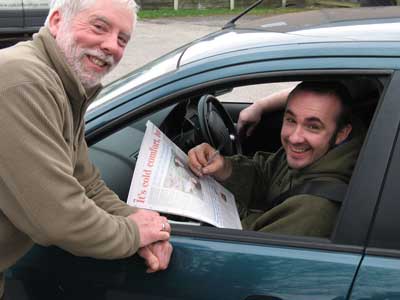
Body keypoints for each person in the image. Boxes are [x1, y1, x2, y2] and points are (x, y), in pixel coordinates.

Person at [0, 1, 173, 298]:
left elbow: (85, 182)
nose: (111, 46)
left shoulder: (63, 85)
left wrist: (140, 221)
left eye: (122, 39)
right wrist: (133, 234)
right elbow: (57, 218)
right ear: (56, 21)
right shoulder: (24, 81)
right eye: (99, 27)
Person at [188, 81, 364, 237]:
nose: (295, 138)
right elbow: (267, 174)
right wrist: (225, 168)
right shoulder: (315, 154)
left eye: (313, 126)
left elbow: (243, 253)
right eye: (291, 120)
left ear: (341, 134)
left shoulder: (314, 210)